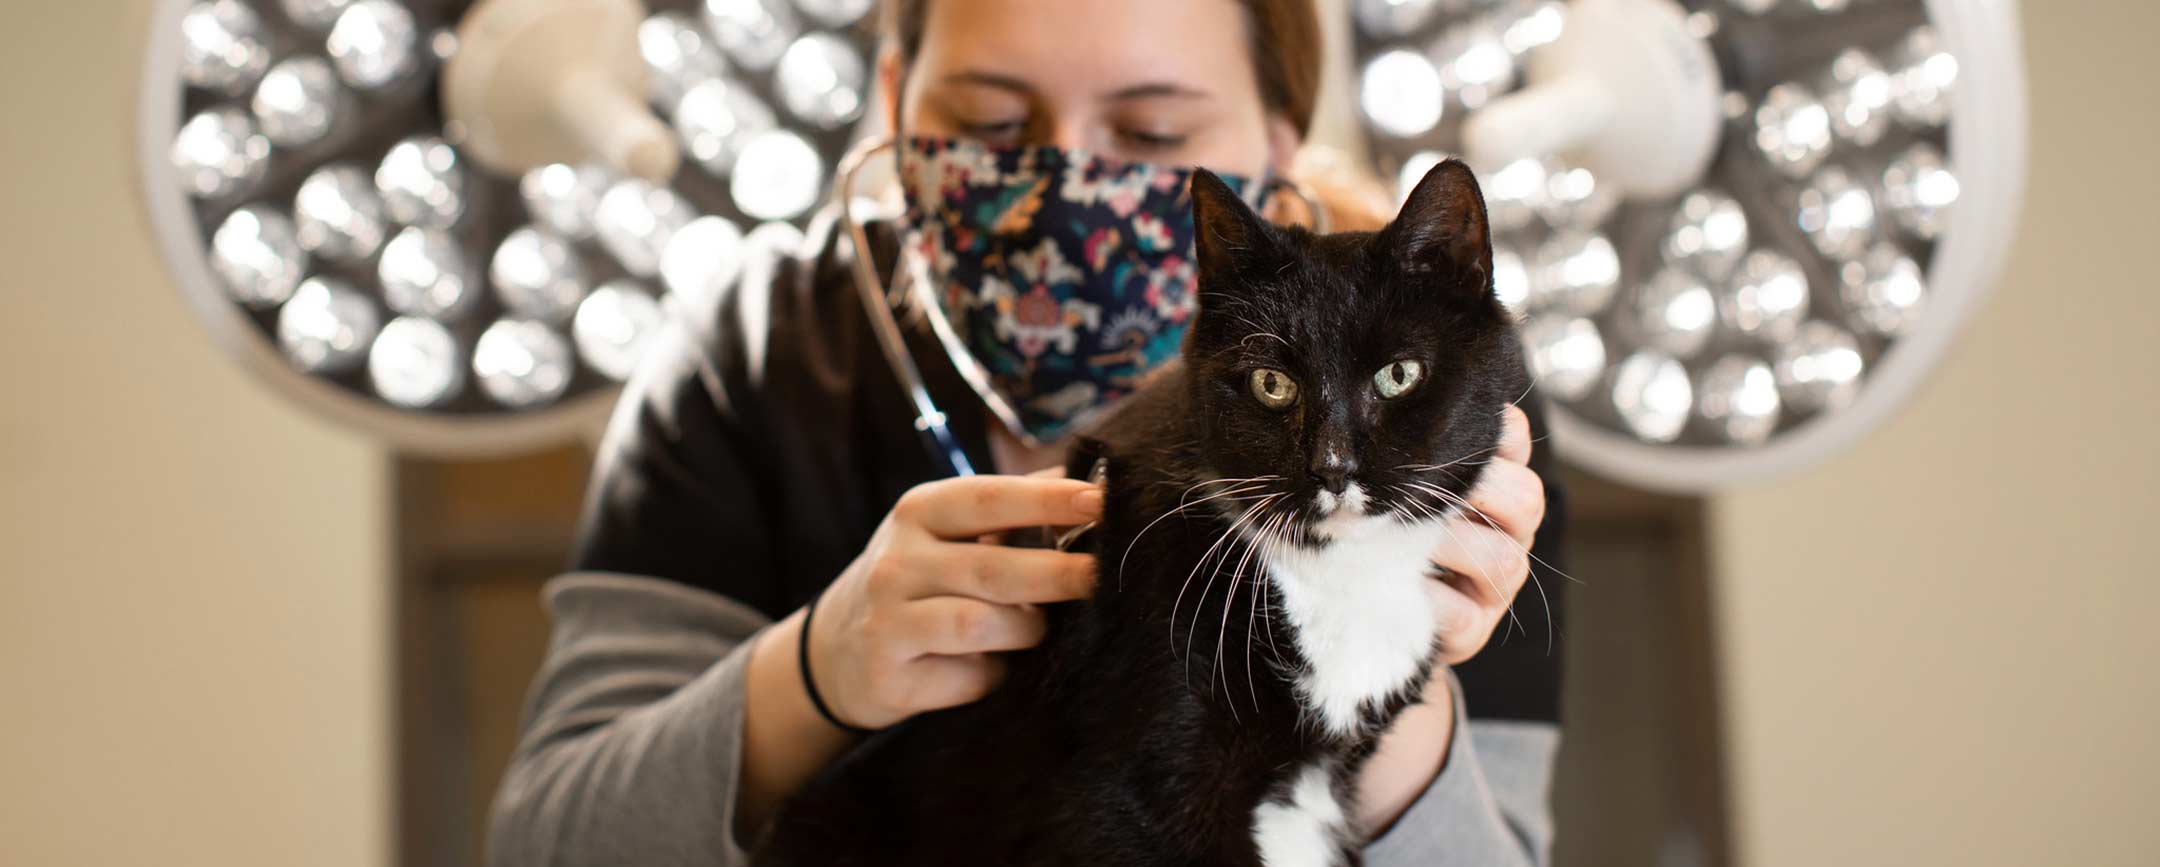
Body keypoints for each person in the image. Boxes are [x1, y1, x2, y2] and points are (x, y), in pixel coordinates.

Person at [487, 1, 1568, 864]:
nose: (1064, 182)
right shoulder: (751, 354)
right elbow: (546, 841)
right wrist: (815, 675)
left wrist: (1388, 671)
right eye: (993, 127)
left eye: (1150, 132)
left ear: (1279, 139)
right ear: (896, 106)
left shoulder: (1447, 405)